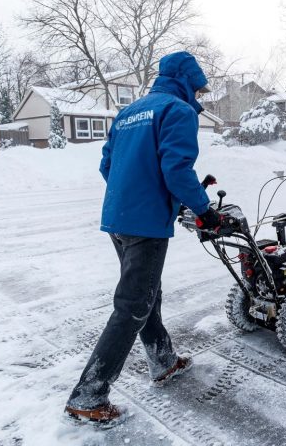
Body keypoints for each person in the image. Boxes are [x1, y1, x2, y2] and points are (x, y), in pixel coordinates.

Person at [65, 51, 221, 425]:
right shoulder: (177, 112)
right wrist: (205, 211)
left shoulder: (129, 112)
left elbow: (107, 164)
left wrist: (134, 195)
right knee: (133, 306)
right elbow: (176, 168)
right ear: (185, 81)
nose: (198, 97)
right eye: (197, 89)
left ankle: (163, 360)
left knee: (146, 293)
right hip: (145, 225)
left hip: (118, 218)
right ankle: (89, 395)